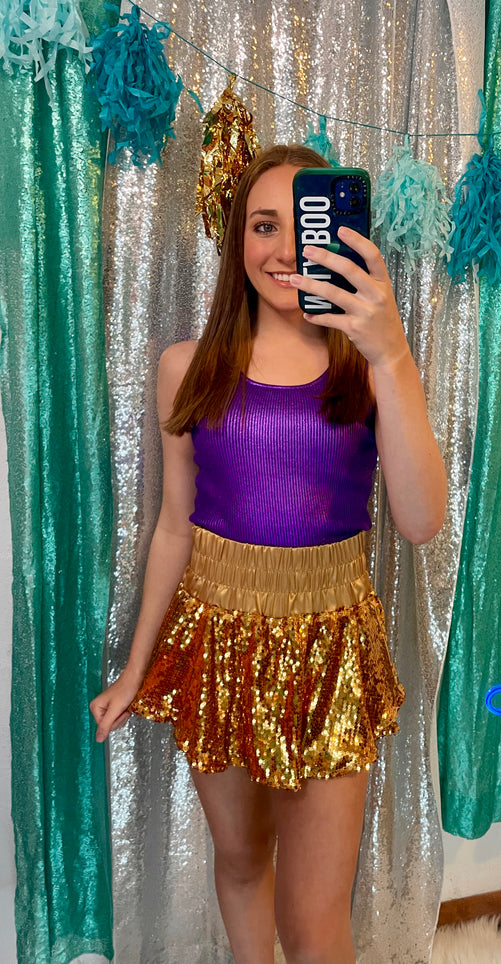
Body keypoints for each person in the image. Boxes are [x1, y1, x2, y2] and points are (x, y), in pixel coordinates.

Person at [89, 143, 447, 964]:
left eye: (304, 227)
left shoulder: (369, 366)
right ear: (236, 240)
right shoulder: (187, 368)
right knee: (243, 861)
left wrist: (392, 352)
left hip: (331, 654)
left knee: (315, 921)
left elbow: (422, 520)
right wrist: (136, 670)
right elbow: (174, 526)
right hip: (215, 646)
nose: (285, 249)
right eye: (262, 226)